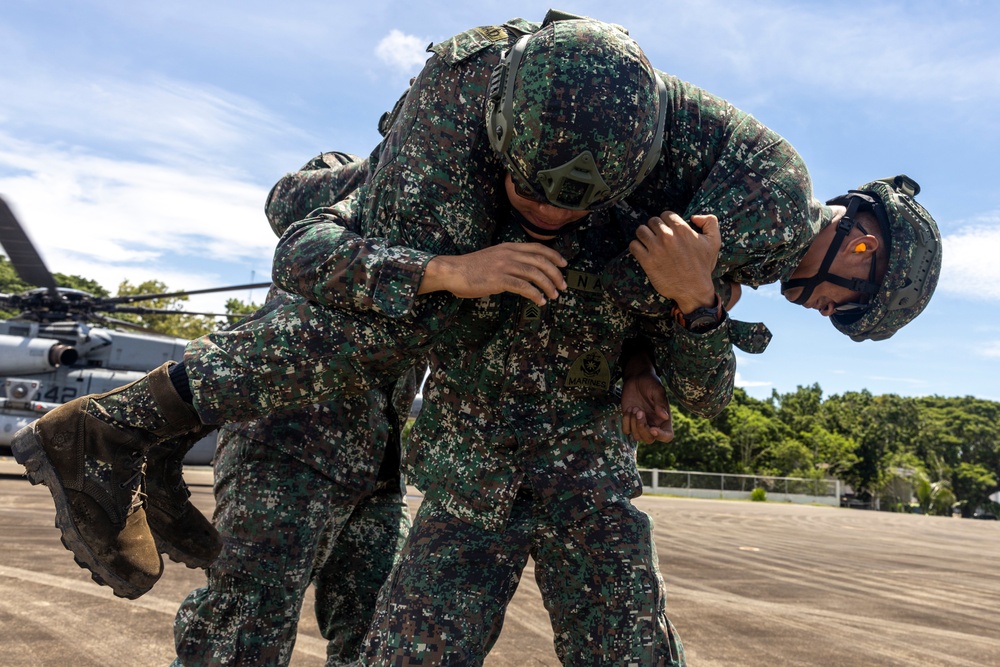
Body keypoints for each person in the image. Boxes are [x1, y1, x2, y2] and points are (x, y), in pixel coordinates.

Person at [11, 10, 940, 663]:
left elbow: (689, 368)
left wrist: (668, 333)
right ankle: (127, 426)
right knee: (273, 609)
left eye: (841, 315)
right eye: (844, 296)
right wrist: (447, 270)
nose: (826, 303)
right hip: (449, 466)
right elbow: (308, 253)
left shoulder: (712, 200)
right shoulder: (447, 133)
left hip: (548, 473)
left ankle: (147, 435)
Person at [170, 152, 416, 667]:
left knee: (381, 637)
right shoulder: (350, 172)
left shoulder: (443, 212)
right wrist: (405, 152)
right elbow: (285, 203)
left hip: (378, 472)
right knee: (241, 635)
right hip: (289, 448)